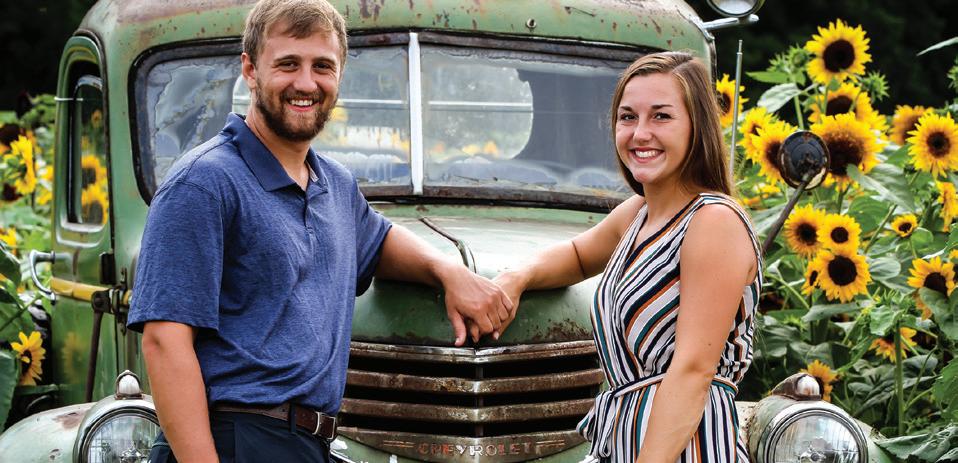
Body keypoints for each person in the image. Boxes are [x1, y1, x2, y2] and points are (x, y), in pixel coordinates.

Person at [126, 1, 512, 462]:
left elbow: (378, 242)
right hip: (233, 438)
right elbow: (165, 342)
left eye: (322, 66)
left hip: (309, 443)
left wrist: (448, 272)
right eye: (288, 64)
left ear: (340, 74)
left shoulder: (334, 185)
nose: (306, 83)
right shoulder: (203, 183)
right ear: (249, 70)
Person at [492, 51, 761, 462]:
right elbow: (578, 256)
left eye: (661, 116)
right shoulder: (637, 214)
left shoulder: (713, 221)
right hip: (623, 440)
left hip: (687, 448)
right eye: (628, 117)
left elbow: (693, 371)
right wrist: (518, 277)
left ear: (697, 126)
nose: (640, 133)